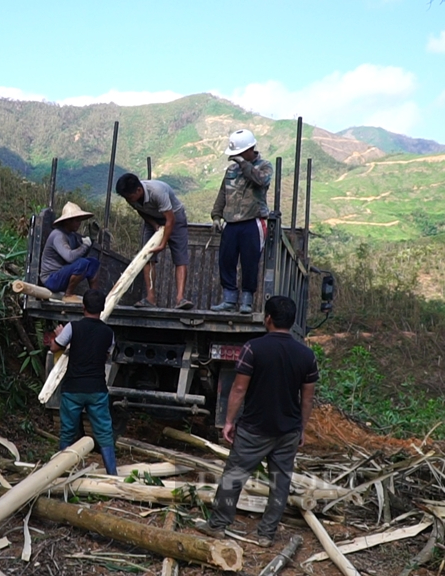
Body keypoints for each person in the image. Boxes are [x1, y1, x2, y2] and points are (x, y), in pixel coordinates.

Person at [195, 296, 318, 547]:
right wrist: (301, 428)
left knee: (234, 477)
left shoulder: (253, 348)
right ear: (292, 322)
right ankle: (266, 534)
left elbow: (239, 389)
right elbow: (307, 399)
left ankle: (218, 525)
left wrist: (228, 421)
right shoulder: (306, 355)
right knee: (279, 483)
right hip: (288, 431)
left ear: (268, 319)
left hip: (254, 429)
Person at [50, 289, 118, 475]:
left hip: (73, 389)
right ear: (102, 308)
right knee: (104, 433)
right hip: (97, 389)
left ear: (83, 307)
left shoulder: (73, 327)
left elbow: (55, 346)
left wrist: (59, 333)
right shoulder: (108, 333)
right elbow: (106, 355)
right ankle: (113, 474)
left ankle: (61, 472)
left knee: (67, 432)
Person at [210, 129, 273, 314]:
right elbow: (223, 192)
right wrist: (216, 215)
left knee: (250, 262)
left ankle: (246, 301)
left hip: (253, 221)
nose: (235, 156)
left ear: (249, 149)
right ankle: (229, 300)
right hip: (231, 222)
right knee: (226, 260)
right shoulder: (231, 170)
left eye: (238, 153)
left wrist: (244, 164)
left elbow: (260, 181)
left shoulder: (264, 166)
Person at [114, 173, 193, 310]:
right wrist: (154, 224)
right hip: (152, 218)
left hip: (174, 216)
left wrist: (162, 243)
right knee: (147, 256)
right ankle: (150, 298)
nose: (128, 199)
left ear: (138, 190)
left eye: (130, 196)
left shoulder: (157, 192)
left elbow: (170, 220)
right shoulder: (130, 197)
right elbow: (140, 211)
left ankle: (180, 299)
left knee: (180, 258)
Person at [40, 202, 99, 303]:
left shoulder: (72, 236)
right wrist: (85, 245)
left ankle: (94, 296)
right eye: (76, 220)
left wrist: (91, 241)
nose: (79, 223)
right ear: (67, 221)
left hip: (62, 275)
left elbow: (81, 256)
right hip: (51, 279)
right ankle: (68, 294)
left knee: (93, 262)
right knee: (82, 263)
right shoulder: (58, 235)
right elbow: (70, 258)